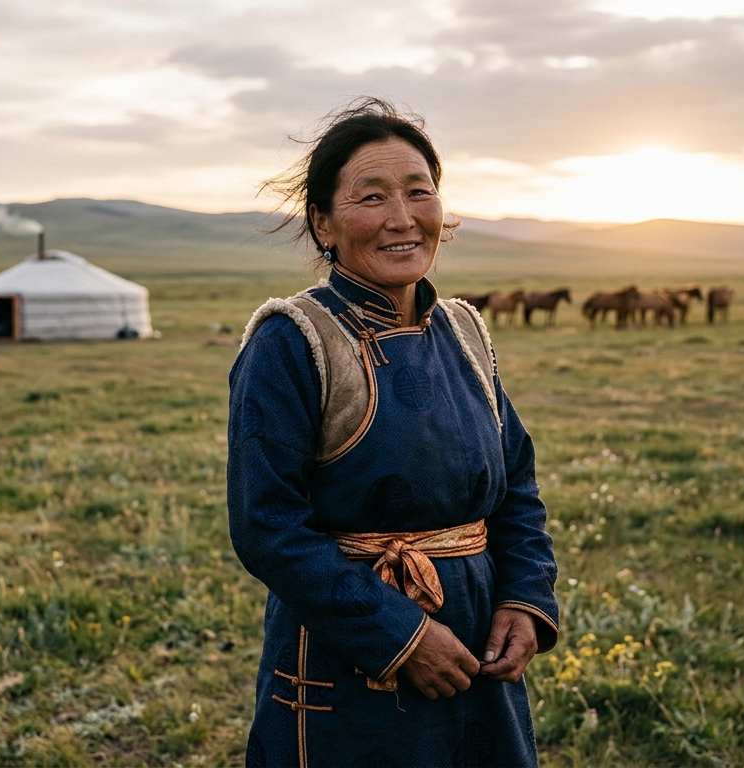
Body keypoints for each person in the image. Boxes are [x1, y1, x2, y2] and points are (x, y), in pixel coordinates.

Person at [228, 97, 559, 767]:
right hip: (351, 656)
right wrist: (401, 636)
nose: (402, 219)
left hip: (477, 644)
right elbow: (268, 527)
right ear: (322, 222)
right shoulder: (292, 342)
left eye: (419, 193)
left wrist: (525, 600)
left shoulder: (464, 332)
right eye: (371, 198)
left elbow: (514, 482)